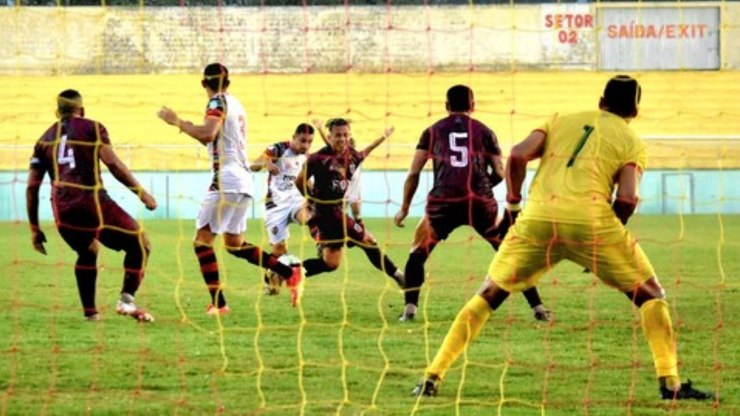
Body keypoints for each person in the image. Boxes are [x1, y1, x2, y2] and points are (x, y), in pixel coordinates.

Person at [411, 76, 714, 401]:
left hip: (539, 220)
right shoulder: (632, 142)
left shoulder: (559, 120)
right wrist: (609, 236)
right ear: (635, 110)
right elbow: (627, 198)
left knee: (488, 294)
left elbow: (516, 156)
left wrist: (513, 205)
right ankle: (670, 383)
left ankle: (432, 376)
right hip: (593, 224)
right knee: (651, 295)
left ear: (601, 100)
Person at [394, 84, 550, 322]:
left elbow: (413, 173)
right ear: (473, 106)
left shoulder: (432, 131)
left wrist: (405, 207)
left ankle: (409, 310)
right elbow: (500, 171)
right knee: (510, 250)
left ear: (446, 106)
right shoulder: (485, 132)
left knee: (417, 252)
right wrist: (482, 186)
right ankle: (538, 308)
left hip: (443, 202)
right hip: (480, 202)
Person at [157, 63, 303, 312]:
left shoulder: (216, 102)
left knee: (202, 243)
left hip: (227, 179)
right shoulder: (236, 103)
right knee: (234, 244)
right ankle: (288, 272)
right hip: (243, 180)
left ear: (203, 83)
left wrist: (177, 122)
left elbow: (207, 134)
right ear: (229, 82)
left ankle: (219, 305)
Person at [26, 89, 157, 322]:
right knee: (141, 243)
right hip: (93, 202)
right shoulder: (93, 128)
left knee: (87, 251)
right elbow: (113, 163)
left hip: (63, 209)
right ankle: (126, 301)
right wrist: (142, 193)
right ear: (82, 110)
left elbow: (32, 188)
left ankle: (90, 314)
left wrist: (35, 229)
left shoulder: (43, 140)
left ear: (57, 112)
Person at [295, 118, 404, 287]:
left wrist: (384, 136)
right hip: (330, 213)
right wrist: (312, 200)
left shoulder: (352, 157)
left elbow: (368, 150)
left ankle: (284, 272)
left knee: (331, 264)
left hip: (334, 214)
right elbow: (299, 181)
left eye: (345, 135)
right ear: (329, 136)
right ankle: (400, 277)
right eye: (338, 135)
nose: (342, 139)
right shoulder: (318, 159)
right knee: (368, 240)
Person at [250, 123, 315, 295]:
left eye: (309, 142)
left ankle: (322, 245)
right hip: (275, 206)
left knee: (311, 218)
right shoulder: (278, 149)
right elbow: (254, 166)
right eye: (302, 141)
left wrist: (311, 196)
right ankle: (271, 277)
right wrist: (267, 163)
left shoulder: (306, 156)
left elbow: (304, 179)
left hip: (295, 200)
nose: (306, 145)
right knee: (280, 252)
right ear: (293, 137)